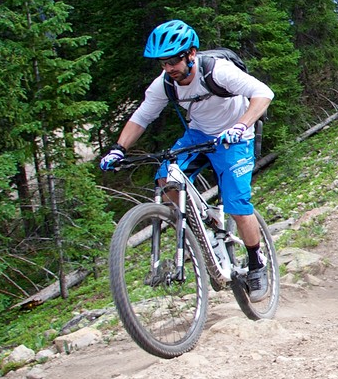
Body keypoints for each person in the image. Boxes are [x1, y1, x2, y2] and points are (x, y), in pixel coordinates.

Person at [99, 19, 274, 296]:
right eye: (163, 63)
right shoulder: (165, 84)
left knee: (238, 205)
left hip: (236, 138)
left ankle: (256, 263)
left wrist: (241, 125)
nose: (169, 69)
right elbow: (142, 116)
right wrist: (118, 148)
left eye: (173, 61)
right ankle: (205, 225)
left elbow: (263, 93)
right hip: (198, 136)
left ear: (191, 54)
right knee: (165, 179)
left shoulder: (218, 71)